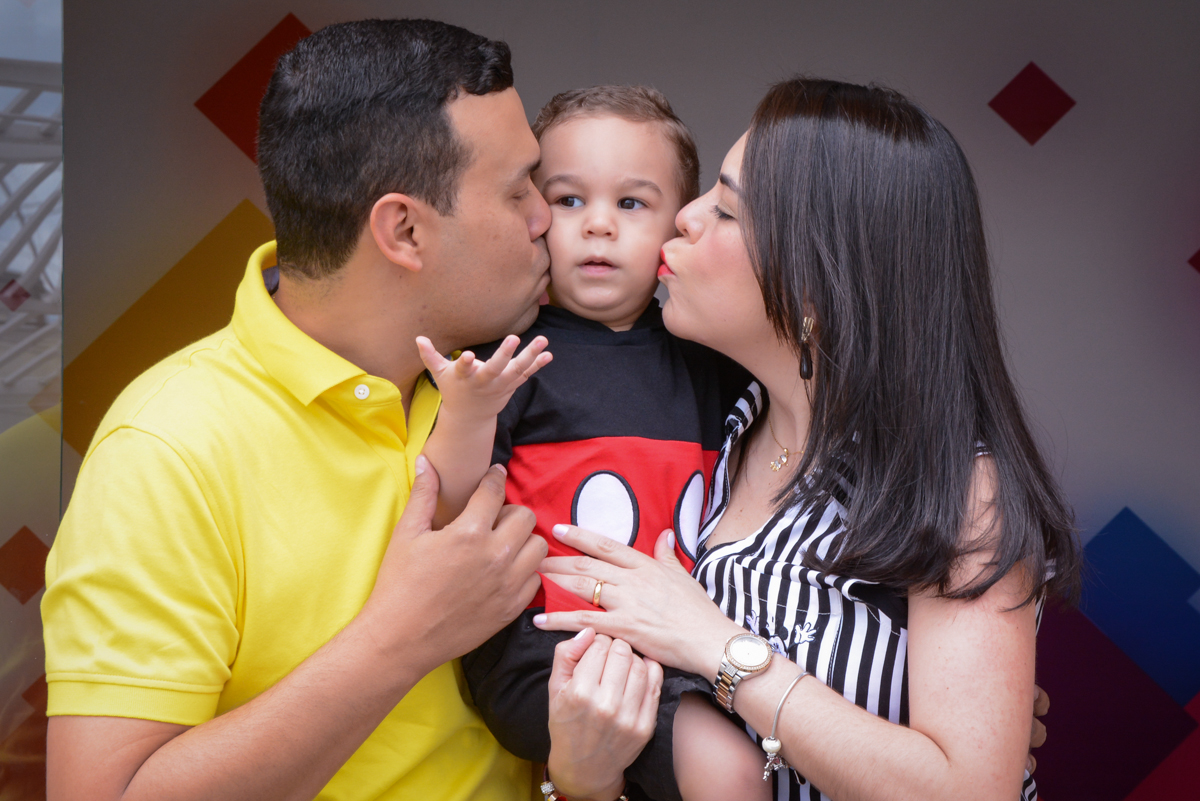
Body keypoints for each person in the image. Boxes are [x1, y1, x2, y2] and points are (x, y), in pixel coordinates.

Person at [39, 19, 580, 801]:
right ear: (404, 229)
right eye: (518, 188)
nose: (545, 217)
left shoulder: (524, 380)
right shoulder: (167, 447)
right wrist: (400, 638)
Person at [532, 78, 1080, 801]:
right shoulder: (718, 436)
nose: (683, 218)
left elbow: (968, 791)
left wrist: (715, 643)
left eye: (726, 209)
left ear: (817, 283)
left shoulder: (956, 489)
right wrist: (582, 774)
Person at [416, 86, 765, 801]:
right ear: (534, 217)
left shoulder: (713, 363)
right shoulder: (510, 355)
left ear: (680, 224)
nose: (598, 225)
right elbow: (447, 507)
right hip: (547, 655)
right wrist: (469, 412)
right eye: (569, 200)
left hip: (679, 649)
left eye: (631, 203)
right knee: (729, 771)